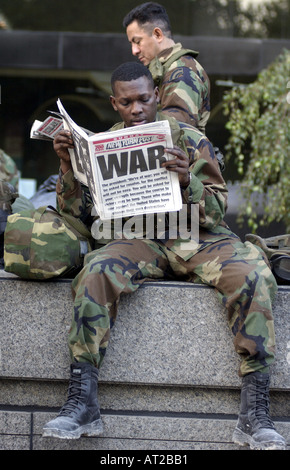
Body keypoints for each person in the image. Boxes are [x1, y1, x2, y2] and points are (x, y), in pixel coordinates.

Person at [42, 62, 285, 450]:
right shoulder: (102, 143)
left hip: (196, 235)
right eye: (126, 102)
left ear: (156, 94)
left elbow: (220, 209)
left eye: (143, 99)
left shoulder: (189, 138)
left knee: (251, 275)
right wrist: (68, 166)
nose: (137, 109)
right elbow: (76, 216)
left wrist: (189, 181)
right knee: (96, 271)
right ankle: (82, 402)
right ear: (114, 103)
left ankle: (254, 414)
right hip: (139, 239)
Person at [123, 2, 210, 133]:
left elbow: (174, 129)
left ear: (157, 34)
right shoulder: (166, 69)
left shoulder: (182, 71)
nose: (134, 51)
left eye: (137, 42)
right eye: (131, 44)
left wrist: (116, 134)